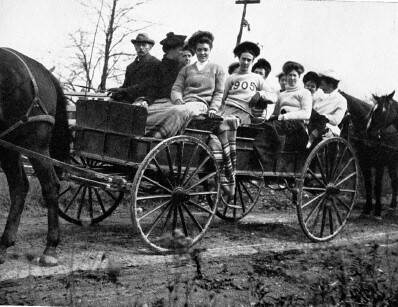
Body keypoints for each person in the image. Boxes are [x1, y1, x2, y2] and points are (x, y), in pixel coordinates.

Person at [254, 61, 312, 165]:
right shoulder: (282, 95)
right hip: (283, 125)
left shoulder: (305, 93)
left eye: (295, 75)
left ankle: (266, 160)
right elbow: (276, 113)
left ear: (299, 77)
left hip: (298, 128)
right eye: (290, 75)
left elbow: (306, 114)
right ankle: (259, 158)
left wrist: (285, 116)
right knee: (264, 126)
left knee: (274, 128)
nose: (292, 78)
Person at [142, 32, 191, 138]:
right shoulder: (158, 66)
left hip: (176, 102)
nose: (182, 52)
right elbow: (153, 89)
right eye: (180, 49)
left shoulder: (184, 68)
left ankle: (158, 136)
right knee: (140, 112)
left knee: (174, 112)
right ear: (172, 50)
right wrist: (146, 101)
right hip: (158, 102)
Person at [217, 41, 277, 126]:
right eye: (243, 59)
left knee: (230, 124)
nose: (245, 62)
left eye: (249, 60)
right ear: (239, 59)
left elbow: (273, 96)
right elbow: (222, 98)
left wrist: (260, 94)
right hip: (227, 109)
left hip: (243, 113)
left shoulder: (257, 78)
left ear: (252, 61)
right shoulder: (231, 78)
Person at [171, 30, 225, 119]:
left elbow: (219, 92)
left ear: (210, 50)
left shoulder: (217, 69)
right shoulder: (186, 69)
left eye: (205, 50)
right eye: (199, 50)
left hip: (202, 105)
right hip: (184, 103)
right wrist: (178, 100)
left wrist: (213, 108)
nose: (202, 53)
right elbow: (177, 88)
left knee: (179, 112)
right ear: (195, 51)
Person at [108, 33, 160, 103]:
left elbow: (148, 86)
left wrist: (125, 90)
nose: (141, 48)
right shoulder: (130, 67)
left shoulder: (156, 64)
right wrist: (117, 92)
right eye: (138, 45)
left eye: (144, 45)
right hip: (129, 100)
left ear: (150, 47)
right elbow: (126, 86)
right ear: (134, 47)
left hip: (147, 100)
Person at [311, 69, 347, 140]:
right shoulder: (317, 95)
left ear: (330, 85)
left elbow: (336, 120)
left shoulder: (341, 100)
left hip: (327, 130)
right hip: (311, 125)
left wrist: (322, 117)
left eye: (323, 80)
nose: (320, 82)